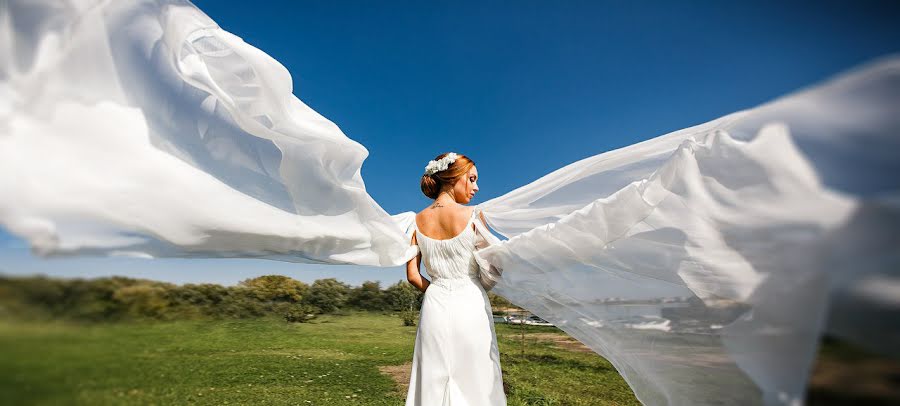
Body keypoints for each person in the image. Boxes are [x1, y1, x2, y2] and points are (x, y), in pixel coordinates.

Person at [404, 152, 507, 405]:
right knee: (477, 377)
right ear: (454, 177)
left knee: (432, 377)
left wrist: (437, 289)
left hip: (434, 306)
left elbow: (413, 276)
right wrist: (478, 285)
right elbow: (493, 270)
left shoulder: (414, 222)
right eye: (471, 179)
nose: (476, 187)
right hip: (470, 303)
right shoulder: (474, 216)